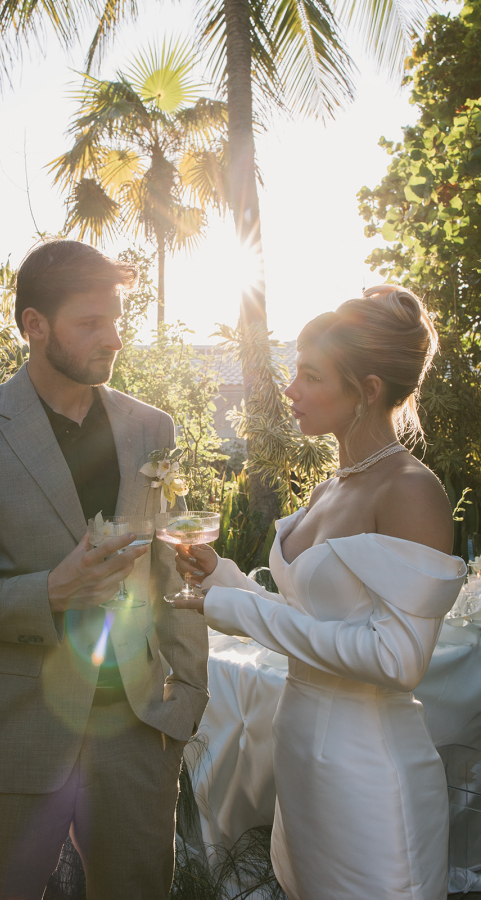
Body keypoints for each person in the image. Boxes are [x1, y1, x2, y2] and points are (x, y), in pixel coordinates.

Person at [0, 239, 209, 900]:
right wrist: (49, 592)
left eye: (117, 319)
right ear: (35, 326)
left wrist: (188, 695)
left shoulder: (153, 429)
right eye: (91, 323)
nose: (114, 339)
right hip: (13, 735)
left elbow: (172, 565)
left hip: (138, 734)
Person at [174, 285, 465, 900]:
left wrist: (240, 611)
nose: (291, 390)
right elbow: (317, 617)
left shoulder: (411, 491)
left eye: (310, 376)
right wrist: (221, 577)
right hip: (303, 768)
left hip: (370, 779)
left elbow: (399, 660)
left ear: (368, 390)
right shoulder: (330, 488)